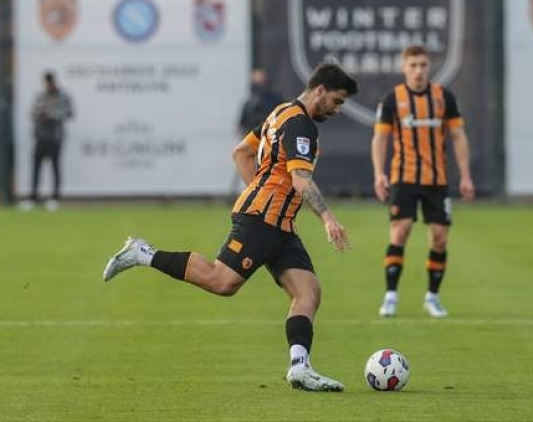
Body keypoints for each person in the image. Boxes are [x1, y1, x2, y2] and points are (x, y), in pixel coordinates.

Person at [103, 63, 358, 392]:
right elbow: (300, 179)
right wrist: (327, 218)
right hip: (261, 220)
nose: (337, 109)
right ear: (320, 90)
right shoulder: (301, 125)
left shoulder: (280, 112)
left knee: (308, 291)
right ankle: (142, 253)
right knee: (222, 281)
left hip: (279, 224)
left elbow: (241, 153)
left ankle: (300, 367)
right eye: (337, 101)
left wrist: (261, 191)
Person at [370, 45, 475, 318]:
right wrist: (379, 173)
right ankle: (391, 296)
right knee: (400, 230)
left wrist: (465, 175)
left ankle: (432, 297)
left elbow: (458, 136)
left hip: (436, 180)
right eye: (413, 65)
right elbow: (380, 138)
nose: (418, 71)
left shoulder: (444, 97)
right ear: (404, 67)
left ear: (429, 67)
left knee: (439, 237)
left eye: (423, 65)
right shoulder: (392, 99)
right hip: (403, 177)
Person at [19, 71, 74, 211]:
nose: (48, 85)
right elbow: (32, 113)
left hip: (55, 138)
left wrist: (52, 115)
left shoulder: (62, 97)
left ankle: (55, 197)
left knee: (55, 168)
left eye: (50, 82)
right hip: (40, 137)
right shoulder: (40, 96)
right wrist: (40, 114)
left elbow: (69, 112)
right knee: (36, 168)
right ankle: (33, 197)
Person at [237, 68, 284, 136]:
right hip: (253, 137)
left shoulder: (275, 100)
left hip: (271, 136)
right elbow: (241, 125)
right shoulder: (248, 104)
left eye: (261, 82)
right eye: (257, 82)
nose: (260, 85)